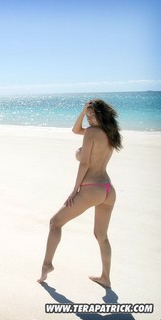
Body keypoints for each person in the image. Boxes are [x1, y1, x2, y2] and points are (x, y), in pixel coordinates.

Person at [37, 98, 123, 288]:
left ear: (101, 115)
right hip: (108, 189)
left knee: (55, 222)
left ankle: (47, 264)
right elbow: (76, 130)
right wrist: (84, 112)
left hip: (91, 188)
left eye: (93, 115)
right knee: (102, 235)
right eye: (88, 115)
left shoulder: (92, 132)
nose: (90, 119)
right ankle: (106, 278)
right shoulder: (110, 133)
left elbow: (84, 163)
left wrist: (75, 189)